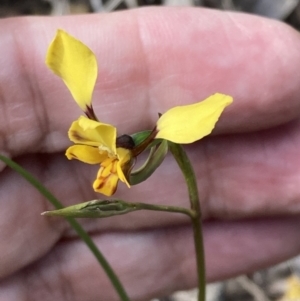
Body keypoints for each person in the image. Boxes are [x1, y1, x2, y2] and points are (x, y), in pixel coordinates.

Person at [1, 6, 300, 301]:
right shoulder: (142, 138)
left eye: (109, 159)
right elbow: (66, 54)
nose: (106, 165)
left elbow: (203, 113)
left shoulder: (159, 133)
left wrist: (126, 151)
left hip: (157, 134)